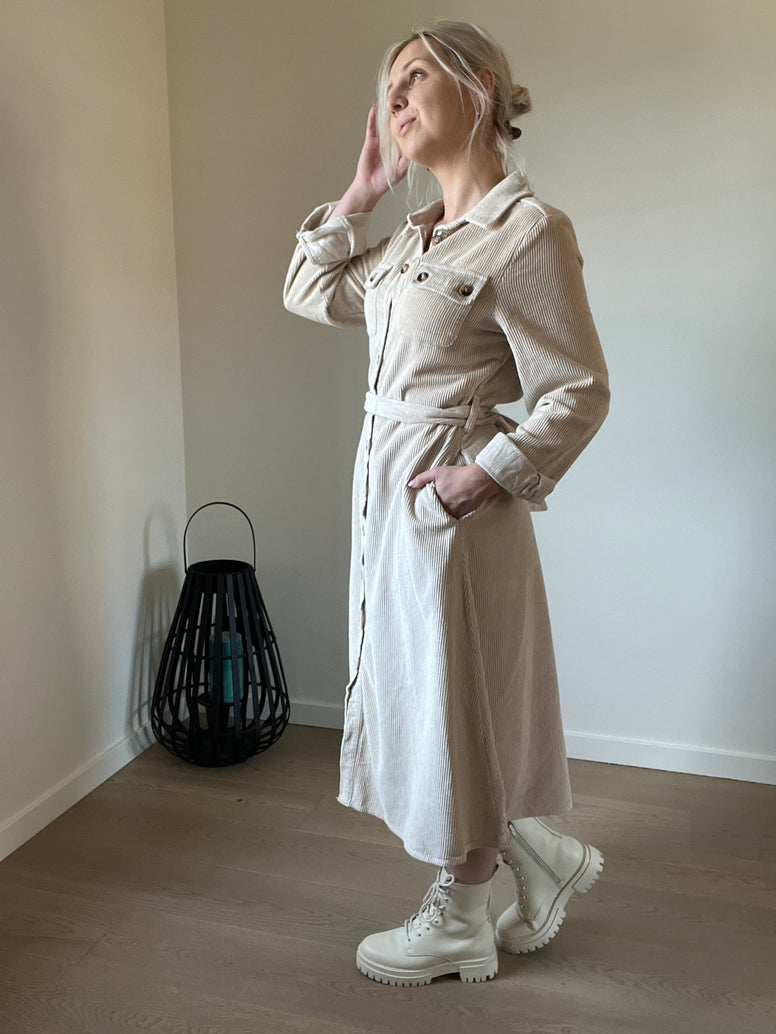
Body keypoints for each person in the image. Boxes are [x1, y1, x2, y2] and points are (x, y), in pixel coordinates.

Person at [283, 20, 609, 986]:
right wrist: (361, 194)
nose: (394, 97)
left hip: (454, 505)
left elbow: (578, 389)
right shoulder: (410, 243)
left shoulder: (527, 232)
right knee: (426, 694)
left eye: (415, 76)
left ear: (483, 86)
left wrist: (489, 472)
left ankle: (463, 916)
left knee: (450, 696)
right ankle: (536, 855)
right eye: (387, 84)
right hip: (388, 497)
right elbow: (309, 291)